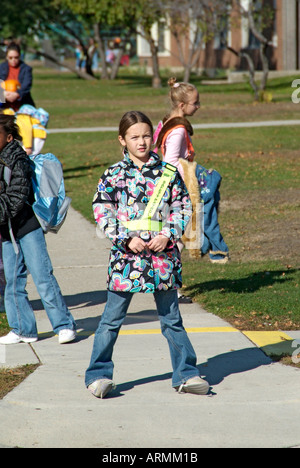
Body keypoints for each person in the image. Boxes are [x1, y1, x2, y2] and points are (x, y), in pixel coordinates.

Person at [85, 111, 209, 398]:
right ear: (122, 140)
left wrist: (168, 234)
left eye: (145, 136)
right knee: (111, 319)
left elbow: (182, 206)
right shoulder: (113, 174)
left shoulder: (167, 173)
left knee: (171, 319)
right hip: (126, 259)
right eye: (134, 137)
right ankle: (98, 375)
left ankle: (186, 374)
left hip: (161, 257)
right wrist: (124, 238)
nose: (141, 142)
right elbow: (102, 210)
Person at [0, 114, 76, 345]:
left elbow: (17, 197)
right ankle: (23, 329)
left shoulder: (17, 159)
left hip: (27, 227)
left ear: (9, 137)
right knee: (13, 281)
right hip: (6, 231)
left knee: (43, 276)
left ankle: (64, 325)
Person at [154, 77, 229, 266]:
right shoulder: (178, 130)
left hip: (177, 182)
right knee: (186, 227)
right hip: (181, 183)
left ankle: (172, 270)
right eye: (195, 103)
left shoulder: (166, 122)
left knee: (181, 230)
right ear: (182, 105)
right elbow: (170, 162)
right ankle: (213, 251)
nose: (198, 106)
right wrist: (190, 180)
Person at [0, 42, 35, 112]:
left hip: (22, 104)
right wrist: (3, 94)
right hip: (3, 105)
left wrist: (17, 94)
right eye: (10, 58)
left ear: (19, 56)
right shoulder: (1, 68)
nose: (13, 60)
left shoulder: (26, 69)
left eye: (16, 57)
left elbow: (26, 85)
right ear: (6, 57)